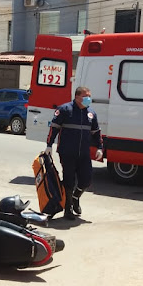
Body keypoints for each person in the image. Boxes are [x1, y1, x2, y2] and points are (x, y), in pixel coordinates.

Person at [45, 86, 103, 220]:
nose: (89, 98)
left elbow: (96, 132)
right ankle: (68, 209)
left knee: (86, 180)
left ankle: (75, 197)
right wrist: (49, 145)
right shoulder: (65, 110)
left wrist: (100, 147)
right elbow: (54, 129)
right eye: (86, 96)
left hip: (83, 153)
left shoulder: (91, 113)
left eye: (89, 95)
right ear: (77, 97)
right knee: (69, 181)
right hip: (67, 152)